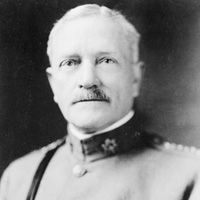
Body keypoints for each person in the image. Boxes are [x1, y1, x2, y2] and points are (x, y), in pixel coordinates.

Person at [0, 4, 200, 200]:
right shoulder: (19, 177)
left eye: (106, 61)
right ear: (53, 85)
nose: (88, 80)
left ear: (135, 78)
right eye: (70, 63)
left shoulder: (190, 175)